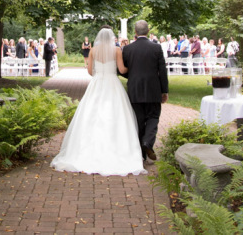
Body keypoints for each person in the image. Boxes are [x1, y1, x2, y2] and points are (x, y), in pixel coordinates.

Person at [50, 28, 146, 176]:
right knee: (116, 114)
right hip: (112, 83)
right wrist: (131, 68)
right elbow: (122, 69)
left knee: (91, 113)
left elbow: (89, 71)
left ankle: (86, 150)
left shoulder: (93, 50)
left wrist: (99, 73)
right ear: (111, 37)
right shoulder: (116, 50)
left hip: (97, 83)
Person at [121, 20, 169, 161]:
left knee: (139, 120)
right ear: (147, 31)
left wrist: (132, 75)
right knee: (153, 117)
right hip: (153, 89)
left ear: (135, 32)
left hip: (135, 88)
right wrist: (164, 90)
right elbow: (162, 71)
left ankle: (141, 154)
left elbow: (122, 69)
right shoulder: (156, 48)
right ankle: (147, 142)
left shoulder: (128, 49)